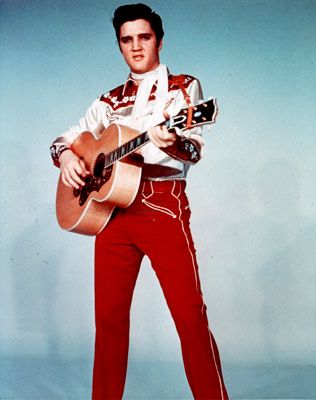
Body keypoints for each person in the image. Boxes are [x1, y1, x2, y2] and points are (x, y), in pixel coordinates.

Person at [50, 3, 229, 399]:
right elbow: (67, 139)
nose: (136, 47)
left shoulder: (184, 87)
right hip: (111, 213)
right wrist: (65, 157)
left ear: (159, 41)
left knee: (189, 318)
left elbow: (194, 149)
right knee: (109, 321)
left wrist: (175, 140)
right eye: (126, 39)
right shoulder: (108, 101)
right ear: (119, 45)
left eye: (144, 37)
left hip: (162, 205)